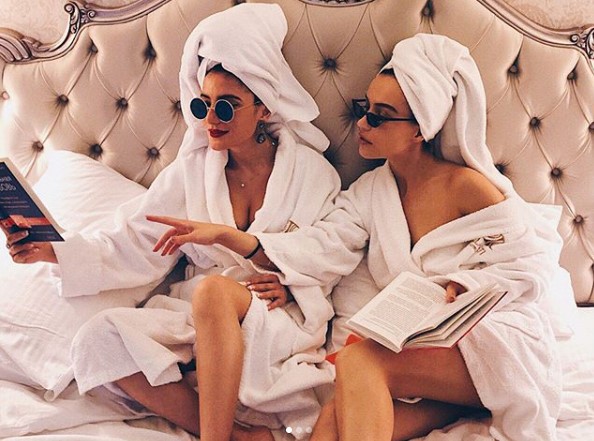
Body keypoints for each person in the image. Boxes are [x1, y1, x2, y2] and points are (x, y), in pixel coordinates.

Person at [141, 34, 563, 440]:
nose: (362, 123)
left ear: (420, 129)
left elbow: (530, 268)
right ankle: (449, 407)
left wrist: (466, 284)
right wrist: (233, 238)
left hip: (490, 341)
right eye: (364, 109)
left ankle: (464, 400)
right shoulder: (369, 194)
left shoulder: (467, 187)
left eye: (379, 116)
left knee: (359, 361)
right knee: (329, 424)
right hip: (421, 350)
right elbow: (323, 247)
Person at [4, 4, 342, 441]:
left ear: (264, 108)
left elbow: (333, 250)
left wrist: (291, 282)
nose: (211, 120)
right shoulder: (191, 173)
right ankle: (238, 437)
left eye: (227, 108)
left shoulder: (311, 173)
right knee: (98, 338)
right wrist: (54, 252)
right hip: (197, 315)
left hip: (273, 311)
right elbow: (133, 241)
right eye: (203, 105)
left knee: (216, 290)